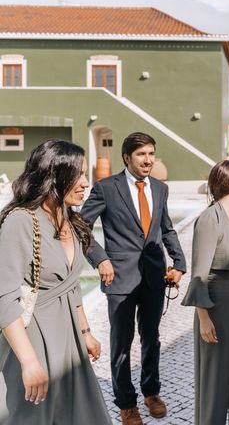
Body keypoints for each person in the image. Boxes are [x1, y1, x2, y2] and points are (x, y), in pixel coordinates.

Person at [0, 140, 111, 425]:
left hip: (69, 342)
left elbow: (71, 285)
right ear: (54, 175)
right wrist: (28, 361)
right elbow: (4, 297)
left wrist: (85, 331)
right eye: (79, 175)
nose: (86, 183)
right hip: (33, 342)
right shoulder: (21, 221)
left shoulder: (69, 219)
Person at [81, 132, 186, 425]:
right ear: (127, 157)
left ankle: (151, 391)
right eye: (141, 154)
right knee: (122, 343)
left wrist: (179, 262)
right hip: (119, 279)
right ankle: (126, 403)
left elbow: (167, 229)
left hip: (153, 276)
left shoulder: (160, 189)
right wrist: (100, 259)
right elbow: (82, 228)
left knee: (151, 339)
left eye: (151, 153)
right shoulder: (105, 188)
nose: (148, 160)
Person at [181, 160, 229, 425]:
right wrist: (203, 317)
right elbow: (199, 273)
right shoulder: (208, 219)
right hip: (217, 305)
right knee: (216, 379)